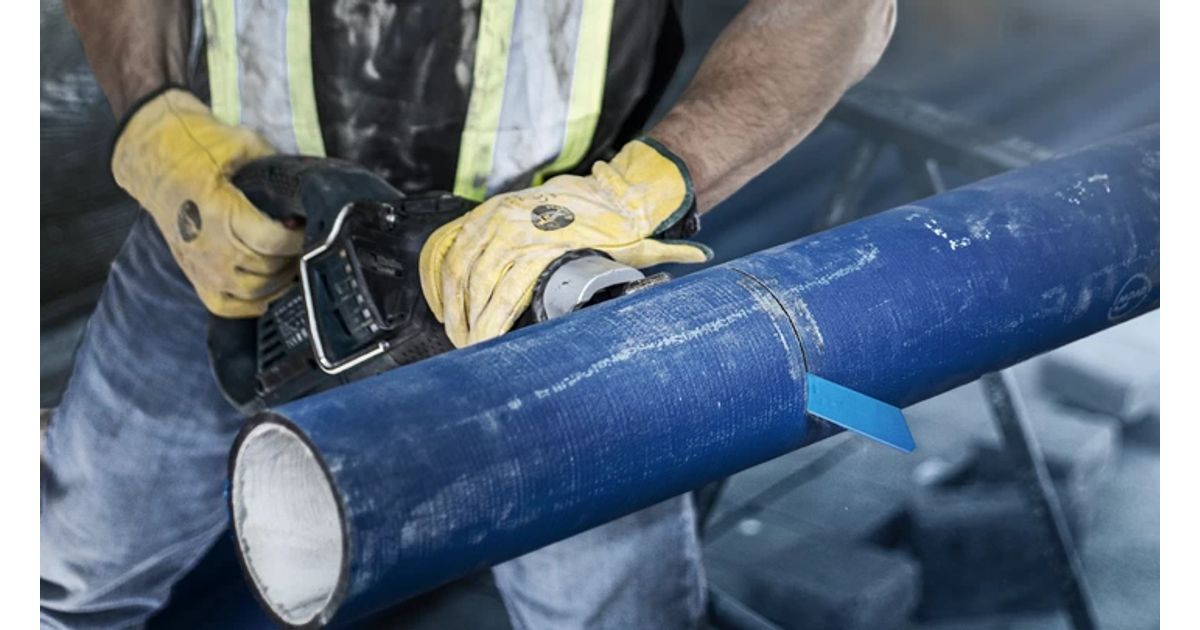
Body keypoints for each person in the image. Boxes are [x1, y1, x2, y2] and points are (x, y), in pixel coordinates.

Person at [42, 0, 895, 627]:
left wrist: (643, 188)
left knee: (611, 615)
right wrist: (156, 127)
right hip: (233, 228)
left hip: (525, 269)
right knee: (62, 585)